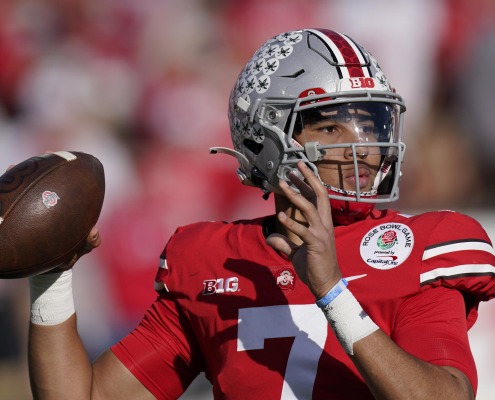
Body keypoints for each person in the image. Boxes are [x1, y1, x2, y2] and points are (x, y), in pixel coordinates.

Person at [27, 28, 495, 399]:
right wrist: (51, 276)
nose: (367, 148)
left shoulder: (420, 247)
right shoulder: (214, 262)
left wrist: (333, 292)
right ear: (266, 139)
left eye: (370, 124)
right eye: (333, 126)